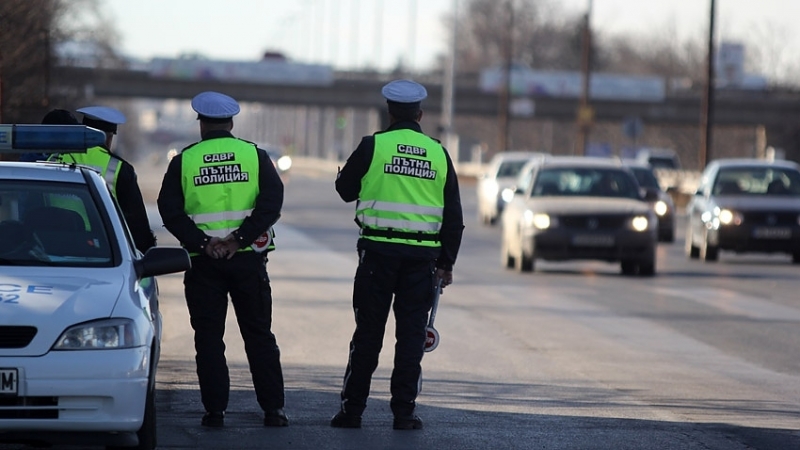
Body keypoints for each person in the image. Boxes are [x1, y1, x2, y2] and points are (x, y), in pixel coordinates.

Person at [331, 79, 464, 430]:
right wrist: (447, 263)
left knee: (368, 335)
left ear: (389, 112)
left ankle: (352, 411)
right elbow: (454, 217)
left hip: (377, 256)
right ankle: (404, 413)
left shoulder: (373, 146)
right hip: (421, 262)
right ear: (420, 114)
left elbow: (345, 191)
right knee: (411, 338)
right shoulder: (438, 152)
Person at [157, 91, 288, 428]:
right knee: (259, 335)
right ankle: (273, 410)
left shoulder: (184, 160)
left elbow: (169, 211)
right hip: (247, 261)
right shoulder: (254, 156)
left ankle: (215, 411)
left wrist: (203, 242)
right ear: (231, 123)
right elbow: (271, 204)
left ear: (201, 124)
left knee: (209, 338)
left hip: (203, 264)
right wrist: (239, 239)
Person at [49, 106, 156, 254]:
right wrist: (148, 253)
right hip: (101, 251)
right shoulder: (118, 167)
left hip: (51, 246)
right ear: (109, 137)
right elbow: (137, 223)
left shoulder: (54, 158)